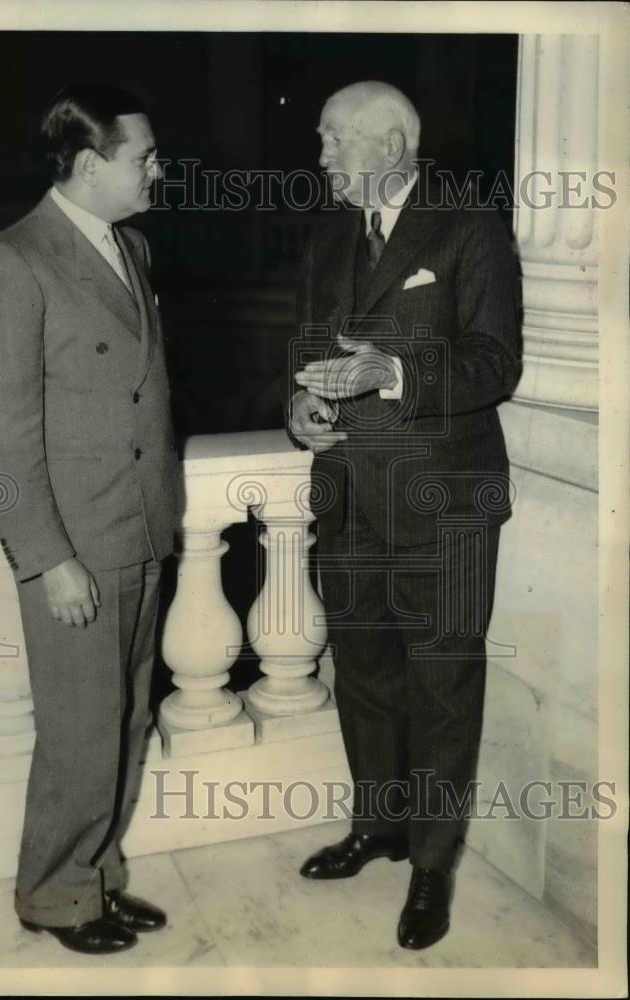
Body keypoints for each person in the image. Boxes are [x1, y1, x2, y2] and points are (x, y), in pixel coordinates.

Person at [287, 81, 521, 949]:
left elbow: (494, 362)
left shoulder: (468, 228)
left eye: (330, 141)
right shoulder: (324, 240)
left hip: (445, 507)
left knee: (442, 684)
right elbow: (306, 353)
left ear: (389, 146)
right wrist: (300, 409)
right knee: (366, 677)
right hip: (347, 498)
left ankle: (431, 867)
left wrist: (392, 373)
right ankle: (378, 827)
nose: (318, 159)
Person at [0, 84, 181, 955]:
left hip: (141, 531)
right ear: (91, 166)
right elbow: (0, 439)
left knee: (123, 719)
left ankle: (98, 878)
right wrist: (47, 557)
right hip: (76, 546)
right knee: (79, 731)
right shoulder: (12, 263)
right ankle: (53, 896)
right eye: (146, 158)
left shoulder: (131, 249)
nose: (160, 170)